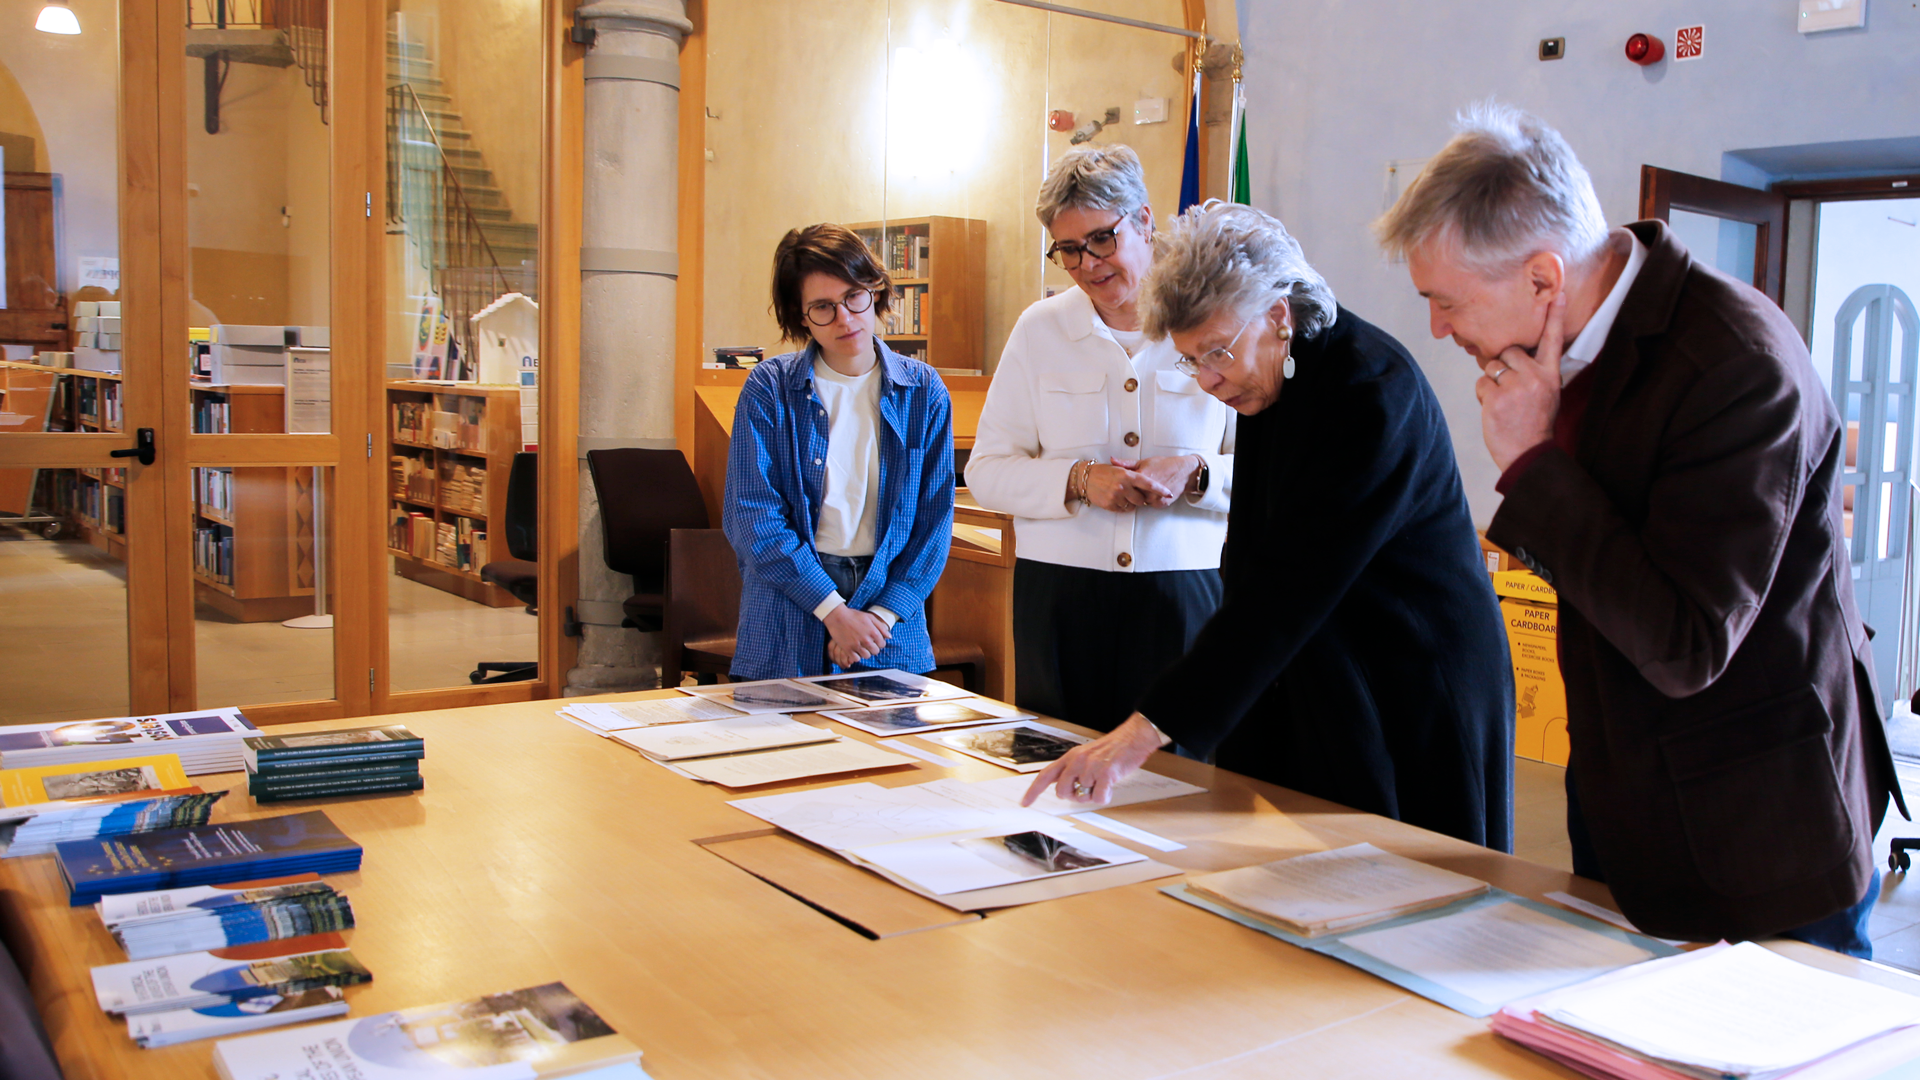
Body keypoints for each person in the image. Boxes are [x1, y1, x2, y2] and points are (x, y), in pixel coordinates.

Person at [1373, 102, 1906, 954]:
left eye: (1445, 302)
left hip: (1757, 830)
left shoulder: (1734, 365)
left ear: (1544, 279)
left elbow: (1687, 642)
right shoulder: (1575, 346)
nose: (1439, 328)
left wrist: (1532, 465)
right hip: (1631, 804)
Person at [1025, 201, 1515, 853]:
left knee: (1408, 881)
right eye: (1191, 361)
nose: (1208, 380)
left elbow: (1285, 590)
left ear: (1279, 316)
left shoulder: (1368, 390)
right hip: (1326, 656)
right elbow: (1250, 559)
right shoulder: (1275, 373)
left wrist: (1140, 734)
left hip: (1412, 676)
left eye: (1218, 354)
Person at [966, 145, 1236, 734]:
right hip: (1060, 595)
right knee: (1057, 762)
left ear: (1143, 219)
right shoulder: (1040, 329)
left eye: (1101, 240)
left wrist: (1197, 473)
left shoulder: (1210, 318)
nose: (1087, 264)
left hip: (1183, 589)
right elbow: (986, 471)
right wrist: (1079, 479)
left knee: (1180, 778)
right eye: (1067, 250)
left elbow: (1269, 467)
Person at [722, 223, 954, 680]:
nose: (846, 319)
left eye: (854, 297)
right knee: (782, 749)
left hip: (887, 613)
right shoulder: (770, 388)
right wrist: (833, 612)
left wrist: (877, 620)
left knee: (892, 751)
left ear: (875, 291)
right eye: (823, 308)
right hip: (789, 600)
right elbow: (752, 517)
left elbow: (933, 521)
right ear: (800, 315)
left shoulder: (923, 391)